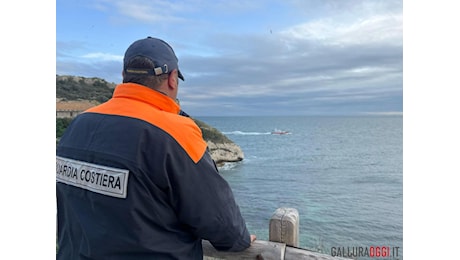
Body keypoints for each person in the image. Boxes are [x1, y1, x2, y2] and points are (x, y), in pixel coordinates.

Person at [56, 36, 256, 259]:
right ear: (172, 79)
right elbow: (221, 224)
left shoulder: (78, 124)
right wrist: (240, 238)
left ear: (124, 77)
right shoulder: (175, 132)